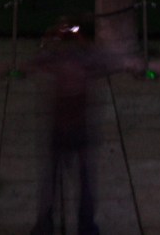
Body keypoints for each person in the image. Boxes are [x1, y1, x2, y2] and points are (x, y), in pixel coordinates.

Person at [29, 17, 106, 235]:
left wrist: (51, 35)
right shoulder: (84, 60)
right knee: (83, 182)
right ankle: (85, 226)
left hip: (63, 127)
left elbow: (38, 58)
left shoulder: (58, 59)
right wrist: (80, 38)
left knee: (52, 182)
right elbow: (102, 60)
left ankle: (46, 225)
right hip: (77, 128)